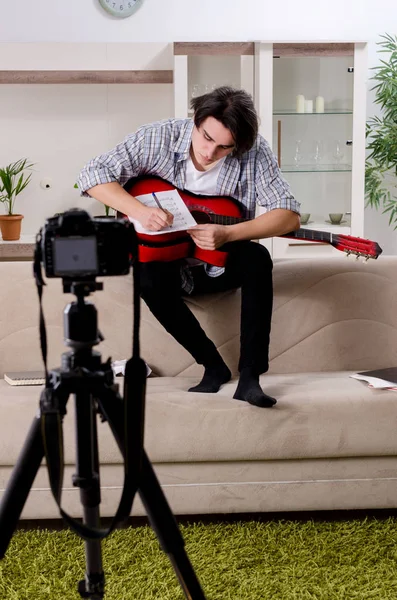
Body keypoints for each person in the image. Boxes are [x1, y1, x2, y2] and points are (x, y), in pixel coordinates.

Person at [77, 86, 301, 408]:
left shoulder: (255, 152)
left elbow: (289, 215)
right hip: (164, 260)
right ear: (195, 120)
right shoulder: (158, 137)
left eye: (225, 147)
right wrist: (139, 211)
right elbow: (92, 174)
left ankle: (251, 377)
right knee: (147, 276)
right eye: (207, 138)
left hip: (218, 262)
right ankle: (212, 365)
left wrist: (230, 234)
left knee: (257, 257)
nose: (210, 152)